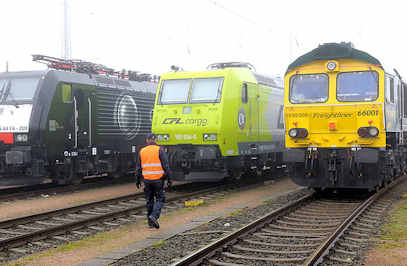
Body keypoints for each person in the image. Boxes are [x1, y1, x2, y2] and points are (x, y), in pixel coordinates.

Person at [135, 133, 172, 229]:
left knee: (149, 200)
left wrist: (138, 180)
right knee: (160, 199)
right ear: (155, 140)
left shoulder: (142, 151)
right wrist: (169, 179)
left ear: (147, 141)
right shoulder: (160, 150)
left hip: (147, 180)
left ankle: (150, 223)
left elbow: (138, 168)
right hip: (158, 180)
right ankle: (154, 216)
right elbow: (166, 166)